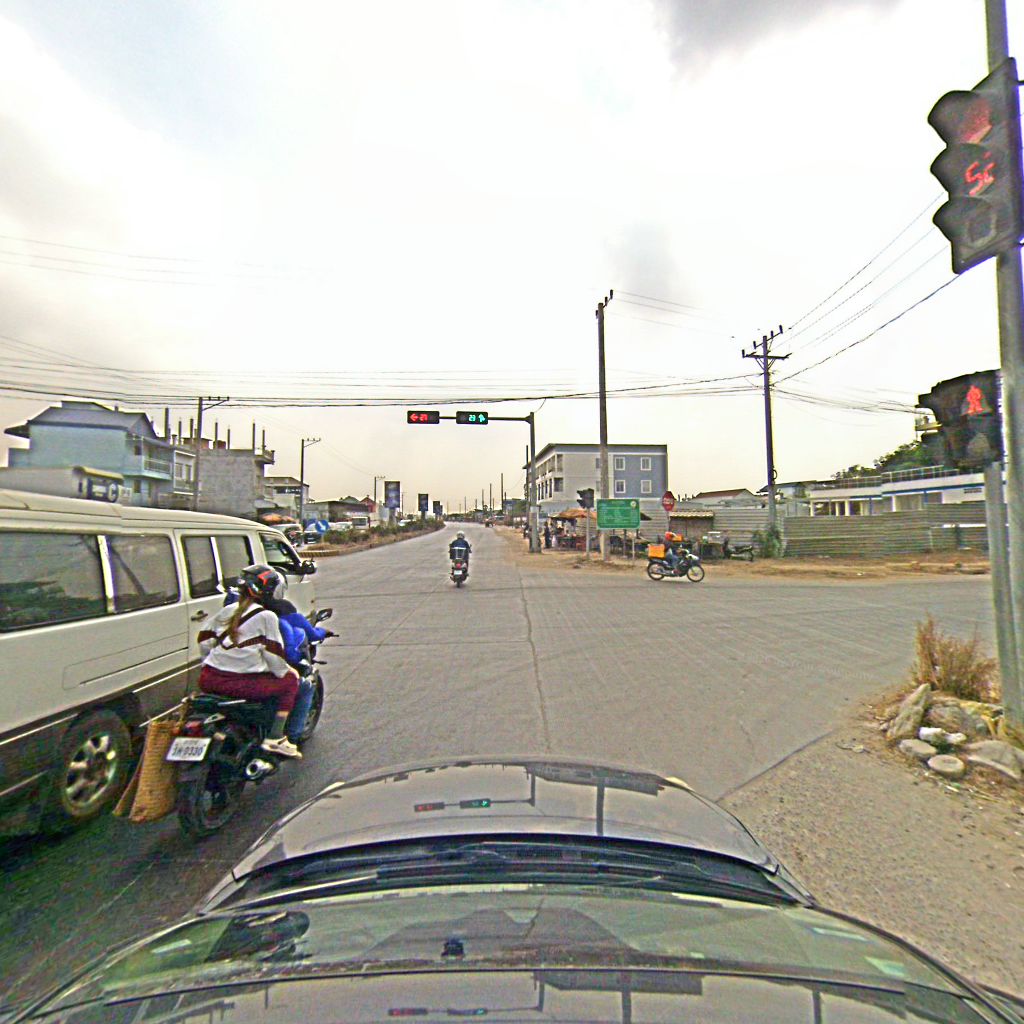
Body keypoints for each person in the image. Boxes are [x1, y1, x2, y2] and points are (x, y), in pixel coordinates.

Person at [197, 565, 303, 758]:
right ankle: (275, 738)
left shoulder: (227, 610)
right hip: (241, 684)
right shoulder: (267, 616)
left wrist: (211, 663)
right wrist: (287, 671)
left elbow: (204, 641)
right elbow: (274, 656)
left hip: (208, 679)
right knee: (290, 682)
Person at [223, 565, 336, 745]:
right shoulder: (279, 614)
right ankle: (290, 736)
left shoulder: (229, 612)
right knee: (303, 686)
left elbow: (207, 644)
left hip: (222, 674)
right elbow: (287, 654)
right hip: (255, 675)